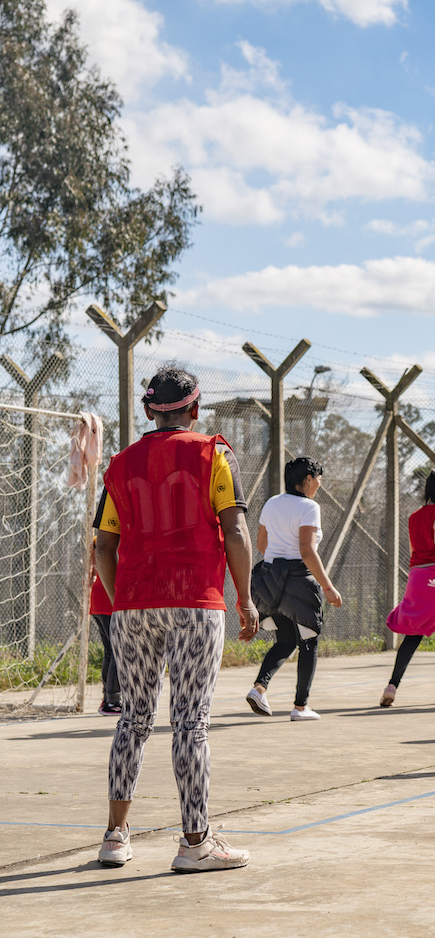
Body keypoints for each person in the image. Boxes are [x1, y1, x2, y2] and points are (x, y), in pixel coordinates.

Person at [93, 364, 258, 872]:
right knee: (190, 723)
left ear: (148, 410)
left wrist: (125, 600)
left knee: (133, 719)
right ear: (195, 407)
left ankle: (116, 837)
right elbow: (235, 532)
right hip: (195, 600)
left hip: (135, 604)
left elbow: (103, 546)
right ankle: (195, 843)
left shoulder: (120, 464)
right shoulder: (214, 454)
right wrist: (246, 599)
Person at [246, 457, 343, 721]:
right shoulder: (309, 507)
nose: (319, 485)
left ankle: (259, 688)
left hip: (270, 580)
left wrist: (279, 565)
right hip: (299, 579)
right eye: (318, 480)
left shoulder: (272, 503)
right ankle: (300, 707)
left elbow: (262, 544)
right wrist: (328, 587)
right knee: (309, 641)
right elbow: (307, 550)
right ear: (308, 479)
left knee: (286, 640)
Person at [379, 470, 435, 706]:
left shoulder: (415, 517)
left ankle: (392, 686)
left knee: (413, 633)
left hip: (418, 576)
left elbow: (413, 550)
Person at [88, 540, 120, 716]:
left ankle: (107, 697)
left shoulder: (96, 540)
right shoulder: (116, 539)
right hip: (109, 599)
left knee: (110, 651)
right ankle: (112, 700)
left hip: (98, 599)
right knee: (117, 651)